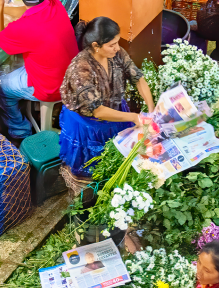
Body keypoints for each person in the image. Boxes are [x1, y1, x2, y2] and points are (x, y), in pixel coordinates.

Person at [59, 17, 155, 176]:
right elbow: (98, 111)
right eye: (112, 45)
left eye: (117, 42)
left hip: (115, 112)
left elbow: (137, 78)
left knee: (117, 156)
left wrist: (151, 109)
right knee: (92, 166)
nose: (117, 48)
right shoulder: (80, 69)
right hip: (89, 124)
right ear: (96, 46)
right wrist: (135, 117)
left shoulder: (117, 54)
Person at [0, 0, 78, 139]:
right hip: (74, 75)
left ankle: (20, 130)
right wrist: (3, 10)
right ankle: (36, 110)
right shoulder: (55, 5)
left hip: (52, 89)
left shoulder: (22, 27)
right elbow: (30, 9)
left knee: (2, 87)